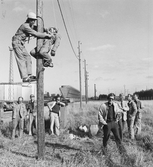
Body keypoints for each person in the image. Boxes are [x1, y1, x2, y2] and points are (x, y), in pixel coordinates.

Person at [12, 12, 53, 82]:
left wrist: (45, 29)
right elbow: (36, 33)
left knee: (28, 57)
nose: (33, 22)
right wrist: (47, 35)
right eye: (32, 20)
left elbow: (37, 28)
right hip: (17, 43)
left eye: (34, 20)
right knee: (21, 59)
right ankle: (25, 77)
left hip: (21, 44)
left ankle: (29, 75)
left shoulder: (30, 26)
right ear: (29, 20)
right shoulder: (25, 26)